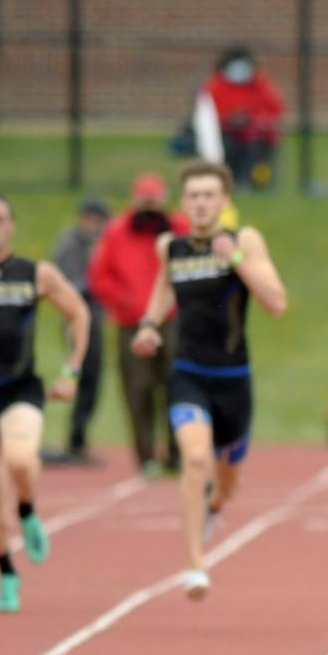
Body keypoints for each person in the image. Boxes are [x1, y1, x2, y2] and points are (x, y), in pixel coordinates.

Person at [131, 161, 287, 600]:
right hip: (189, 374)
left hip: (233, 378)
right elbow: (164, 290)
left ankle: (216, 505)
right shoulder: (172, 247)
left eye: (209, 195)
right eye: (194, 196)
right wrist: (147, 324)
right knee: (194, 458)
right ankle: (194, 564)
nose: (201, 203)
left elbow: (276, 301)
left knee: (227, 478)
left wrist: (234, 259)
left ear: (224, 202)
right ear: (184, 203)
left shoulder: (244, 241)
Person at [0, 193, 90, 612]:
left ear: (11, 227)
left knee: (20, 459)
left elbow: (78, 314)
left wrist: (71, 372)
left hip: (18, 389)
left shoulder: (35, 274)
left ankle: (28, 509)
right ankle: (6, 573)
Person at [89, 172, 191, 476]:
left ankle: (176, 453)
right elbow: (100, 276)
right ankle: (146, 456)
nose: (149, 206)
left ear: (164, 199)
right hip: (130, 323)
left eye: (154, 199)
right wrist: (125, 303)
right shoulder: (117, 232)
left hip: (172, 322)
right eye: (144, 199)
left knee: (177, 386)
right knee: (138, 390)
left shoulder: (180, 229)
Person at [47, 198, 109, 463]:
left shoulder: (97, 242)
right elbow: (71, 283)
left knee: (92, 378)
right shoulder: (71, 243)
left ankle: (78, 439)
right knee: (84, 374)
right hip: (77, 317)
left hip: (94, 316)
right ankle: (75, 440)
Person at [199, 47, 285, 190]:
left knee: (254, 149)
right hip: (226, 135)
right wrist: (229, 120)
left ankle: (251, 182)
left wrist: (252, 120)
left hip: (255, 136)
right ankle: (228, 181)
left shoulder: (261, 85)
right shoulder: (215, 86)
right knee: (229, 148)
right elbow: (208, 116)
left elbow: (274, 111)